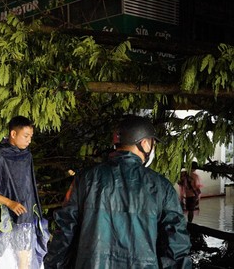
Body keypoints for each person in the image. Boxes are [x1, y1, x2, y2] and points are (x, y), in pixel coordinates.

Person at [44, 115, 192, 268]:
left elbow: (65, 234)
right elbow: (176, 246)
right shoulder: (162, 187)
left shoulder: (85, 179)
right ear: (145, 144)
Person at [0, 115, 47, 269]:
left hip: (26, 216)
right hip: (7, 219)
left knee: (25, 260)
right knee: (8, 260)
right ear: (13, 134)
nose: (29, 141)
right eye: (26, 136)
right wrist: (9, 203)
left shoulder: (27, 156)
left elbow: (28, 187)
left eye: (31, 137)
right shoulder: (1, 156)